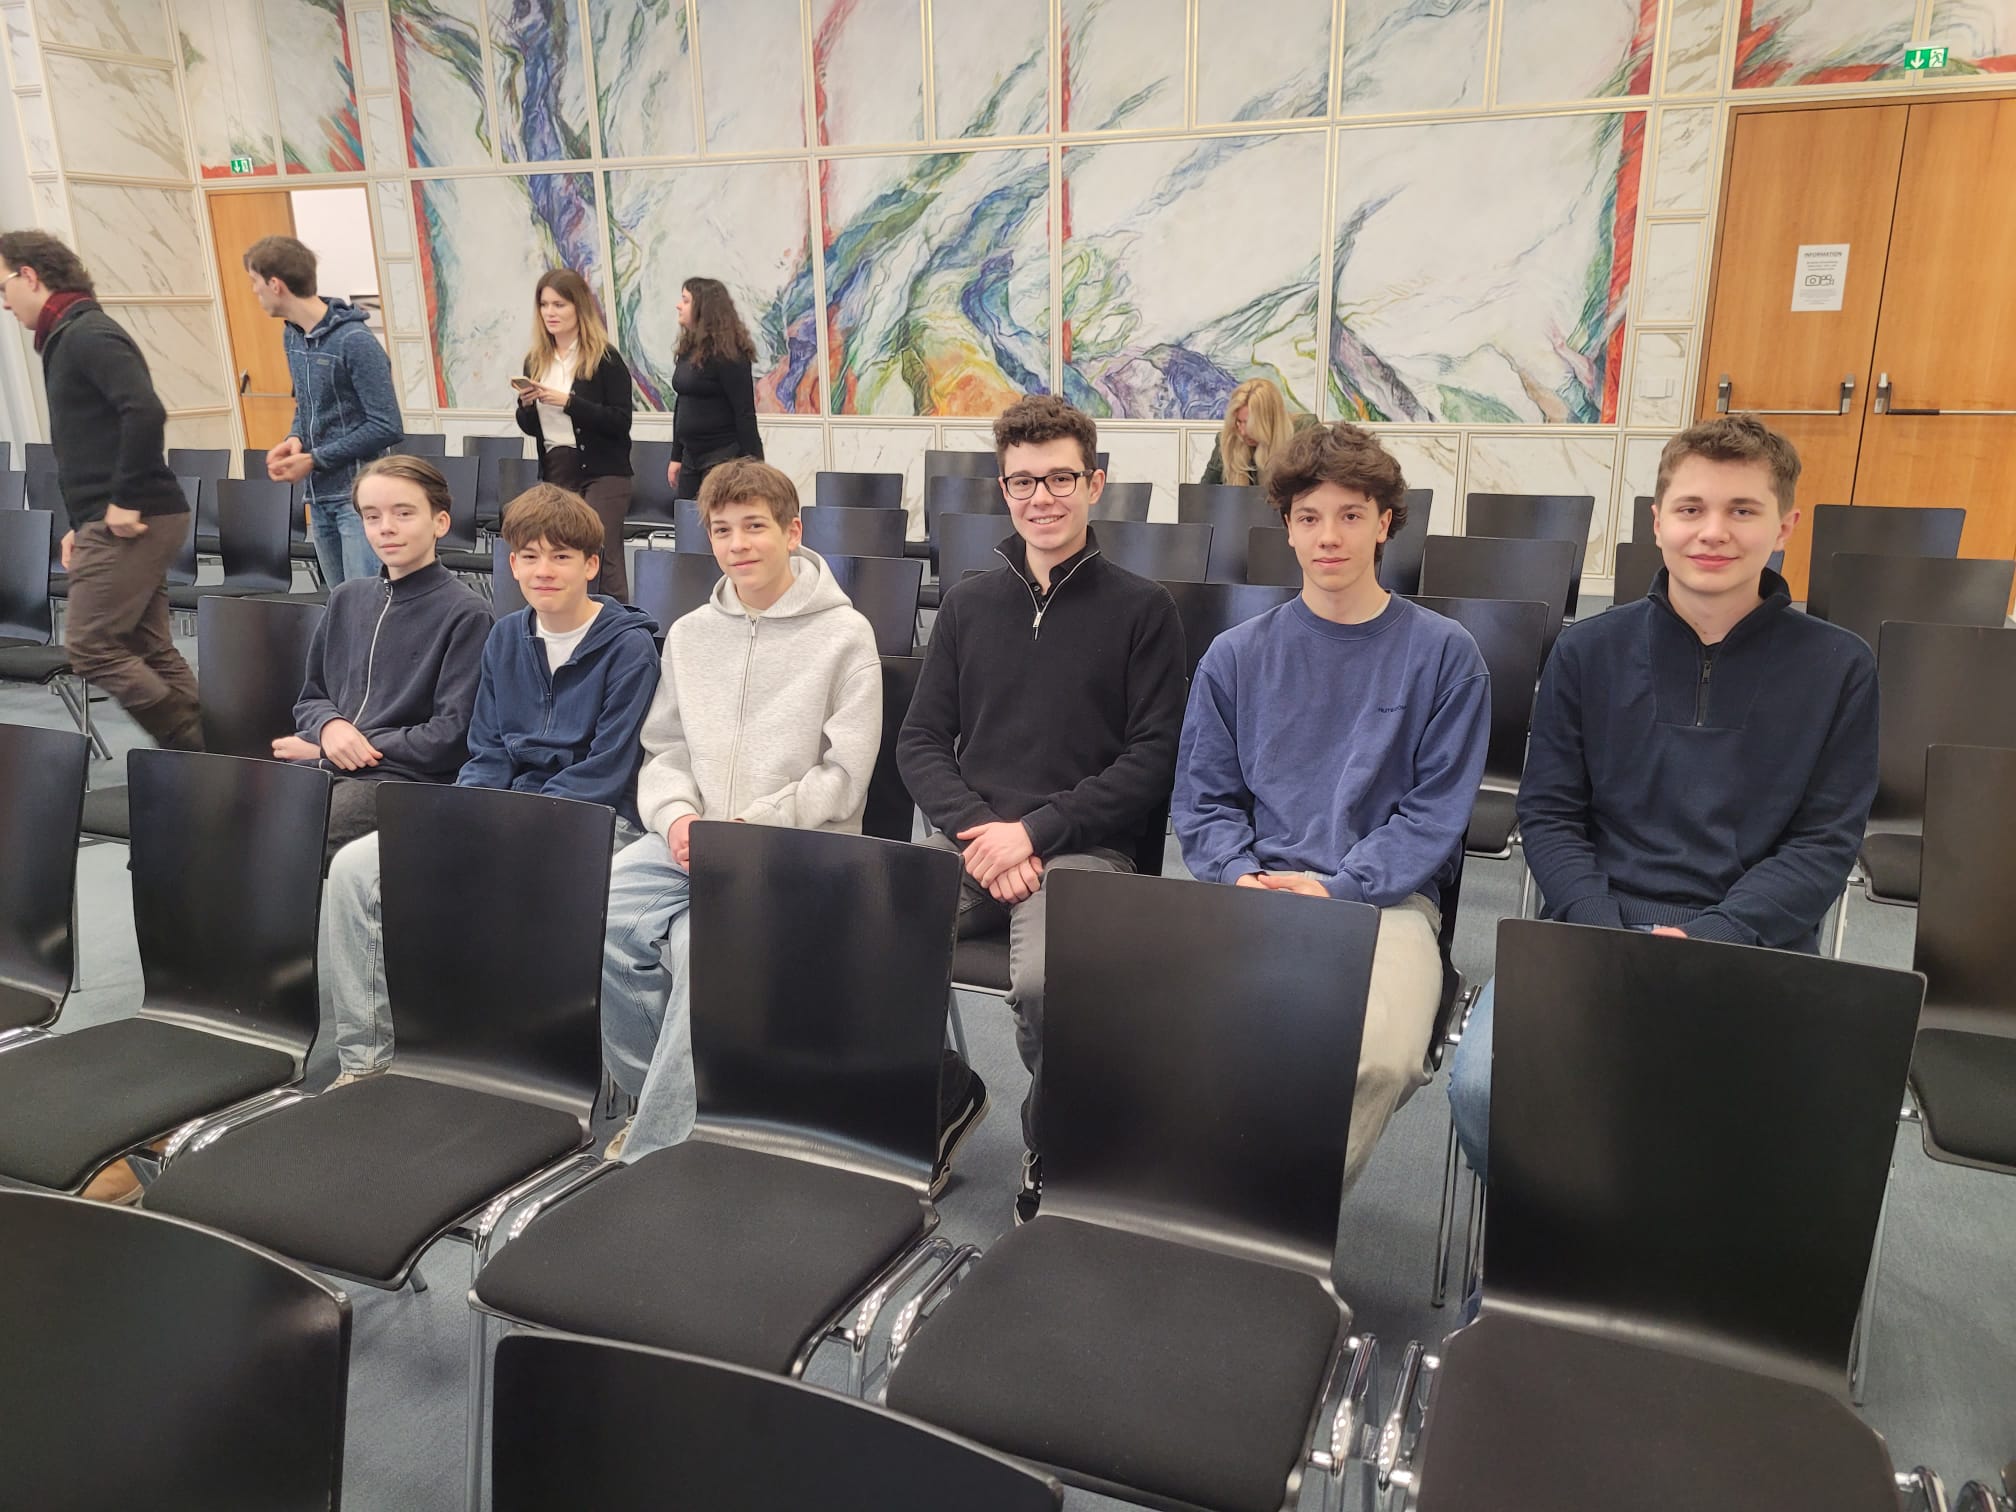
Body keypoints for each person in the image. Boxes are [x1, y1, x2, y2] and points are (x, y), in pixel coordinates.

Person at [1447, 415, 1880, 1182]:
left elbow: (1823, 844)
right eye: (1690, 508)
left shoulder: (1841, 667)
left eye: (1742, 510)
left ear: (1785, 526)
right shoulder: (1587, 650)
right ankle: (1548, 1247)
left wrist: (1716, 935)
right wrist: (1605, 930)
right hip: (1591, 933)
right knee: (1488, 1090)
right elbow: (1550, 815)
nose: (1713, 531)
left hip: (1755, 948)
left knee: (1773, 1125)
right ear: (1657, 521)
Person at [1174, 422, 1490, 1188]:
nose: (1329, 537)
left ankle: (1273, 1217)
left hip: (1385, 902)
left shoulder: (1446, 655)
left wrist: (1339, 889)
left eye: (1351, 515)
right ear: (1287, 527)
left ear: (1385, 522)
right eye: (1309, 517)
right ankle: (1212, 1208)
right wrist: (1239, 877)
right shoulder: (1235, 657)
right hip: (1254, 891)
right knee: (1165, 1035)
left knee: (1376, 1057)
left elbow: (1433, 816)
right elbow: (1206, 800)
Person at [898, 393, 1188, 1222]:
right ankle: (947, 1099)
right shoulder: (968, 603)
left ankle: (1053, 1134)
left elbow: (1152, 760)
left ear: (1094, 483)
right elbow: (920, 742)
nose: (1042, 497)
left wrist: (1032, 833)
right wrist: (981, 832)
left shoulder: (1144, 611)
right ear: (1003, 489)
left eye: (1060, 478)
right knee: (861, 932)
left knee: (1044, 983)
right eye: (1023, 481)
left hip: (1086, 849)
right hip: (975, 841)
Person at [322, 484, 661, 1081]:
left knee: (496, 883)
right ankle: (365, 1063)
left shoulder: (630, 649)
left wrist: (513, 826)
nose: (543, 571)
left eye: (561, 557)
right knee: (356, 870)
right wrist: (472, 814)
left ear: (591, 566)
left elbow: (605, 770)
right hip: (505, 810)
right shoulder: (505, 637)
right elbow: (487, 749)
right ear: (512, 565)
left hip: (598, 822)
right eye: (529, 557)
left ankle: (515, 1059)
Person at [600, 458, 880, 1162]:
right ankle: (667, 1095)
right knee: (592, 911)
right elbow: (664, 749)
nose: (737, 543)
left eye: (754, 526)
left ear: (793, 532)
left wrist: (751, 829)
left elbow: (844, 775)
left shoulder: (846, 635)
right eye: (722, 530)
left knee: (703, 947)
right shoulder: (691, 633)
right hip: (694, 840)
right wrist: (678, 818)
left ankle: (658, 1148)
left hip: (795, 846)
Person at [0, 230, 201, 751]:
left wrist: (124, 501)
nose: (4, 302)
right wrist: (80, 522)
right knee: (148, 647)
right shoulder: (68, 334)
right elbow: (88, 443)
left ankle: (194, 744)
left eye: (3, 286)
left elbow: (144, 411)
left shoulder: (87, 332)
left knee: (89, 645)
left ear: (29, 276)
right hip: (116, 513)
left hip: (135, 513)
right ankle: (212, 758)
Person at [272, 455, 491, 853]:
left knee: (291, 844)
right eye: (372, 516)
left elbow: (449, 738)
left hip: (403, 780)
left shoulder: (467, 614)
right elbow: (312, 697)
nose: (386, 527)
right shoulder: (346, 598)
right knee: (223, 820)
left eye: (404, 513)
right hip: (325, 762)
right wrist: (329, 728)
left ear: (440, 522)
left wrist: (331, 749)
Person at [245, 234, 403, 586]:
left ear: (275, 284)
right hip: (319, 497)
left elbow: (387, 425)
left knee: (366, 603)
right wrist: (295, 439)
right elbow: (305, 403)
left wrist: (315, 459)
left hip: (358, 500)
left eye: (255, 283)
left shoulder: (355, 341)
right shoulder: (292, 336)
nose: (255, 292)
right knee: (341, 604)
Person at [514, 268, 636, 601]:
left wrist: (569, 402)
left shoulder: (605, 359)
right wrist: (527, 406)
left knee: (601, 553)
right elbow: (531, 428)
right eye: (544, 305)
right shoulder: (536, 361)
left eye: (559, 305)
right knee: (560, 550)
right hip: (557, 467)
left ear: (578, 307)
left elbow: (620, 421)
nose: (550, 313)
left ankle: (618, 623)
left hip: (603, 470)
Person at [664, 277, 762, 502]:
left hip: (722, 458)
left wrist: (756, 466)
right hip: (691, 456)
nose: (678, 306)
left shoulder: (730, 355)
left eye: (685, 301)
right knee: (687, 518)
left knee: (716, 517)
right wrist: (676, 456)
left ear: (703, 308)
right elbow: (682, 403)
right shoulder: (688, 349)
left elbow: (744, 413)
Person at [1199, 377, 1318, 486]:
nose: (1243, 432)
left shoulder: (1307, 434)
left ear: (1270, 420)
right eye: (1239, 422)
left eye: (1250, 425)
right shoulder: (1229, 440)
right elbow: (1204, 493)